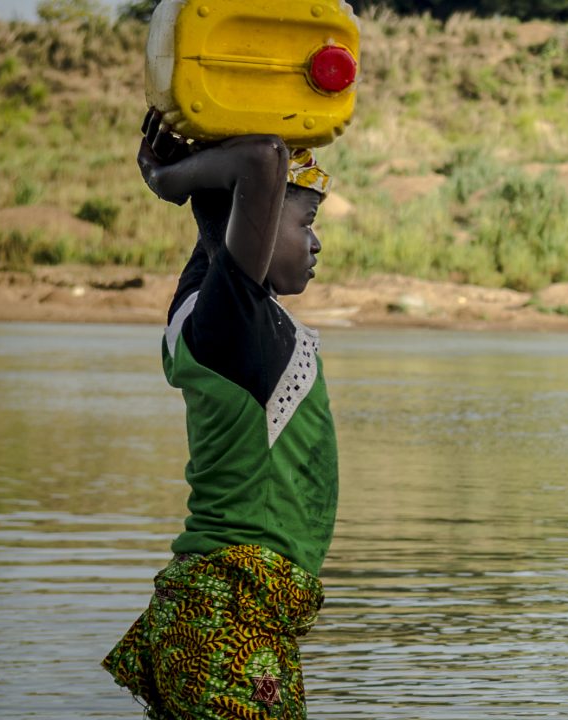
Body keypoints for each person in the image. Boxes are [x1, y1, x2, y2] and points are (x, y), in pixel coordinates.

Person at [103, 111, 337, 720]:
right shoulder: (235, 325)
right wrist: (172, 181)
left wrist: (198, 170)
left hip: (222, 614)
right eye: (305, 221)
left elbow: (226, 219)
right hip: (228, 616)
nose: (316, 242)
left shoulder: (203, 310)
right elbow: (262, 158)